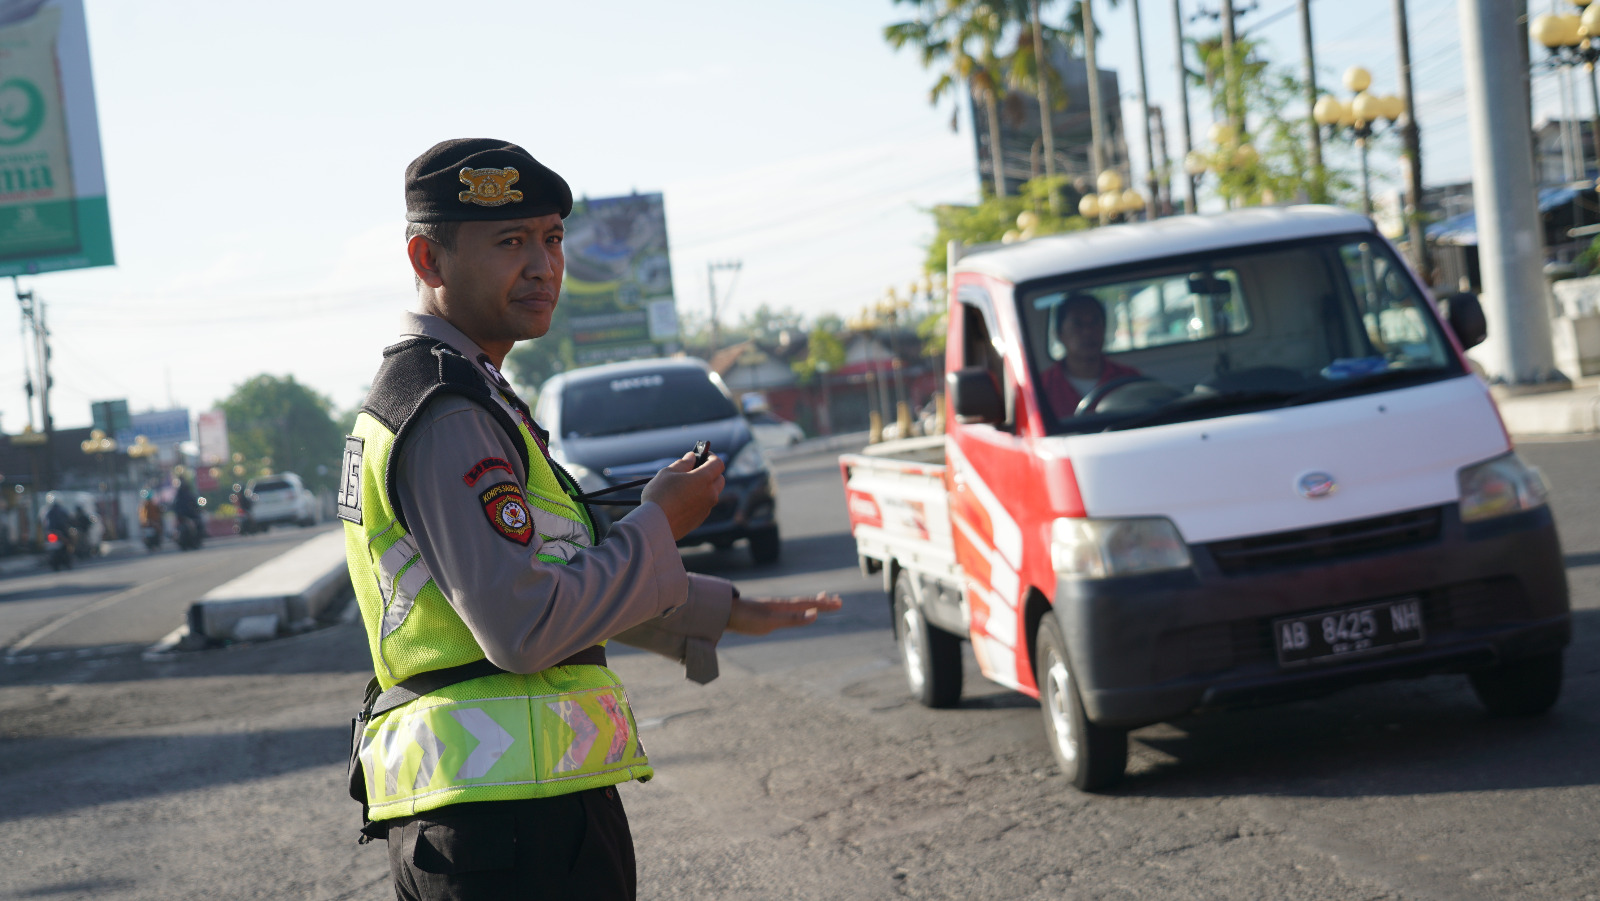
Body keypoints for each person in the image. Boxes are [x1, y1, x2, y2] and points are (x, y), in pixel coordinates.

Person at [341, 138, 841, 901]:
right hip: (509, 837)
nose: (543, 265)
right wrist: (660, 524)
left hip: (502, 827)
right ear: (429, 259)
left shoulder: (468, 392)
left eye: (552, 238)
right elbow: (524, 628)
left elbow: (554, 574)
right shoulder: (444, 411)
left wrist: (724, 610)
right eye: (511, 242)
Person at [1040, 293, 1142, 419]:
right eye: (1077, 324)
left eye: (1095, 322)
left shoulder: (1131, 379)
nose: (1088, 331)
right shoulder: (1042, 387)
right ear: (1059, 334)